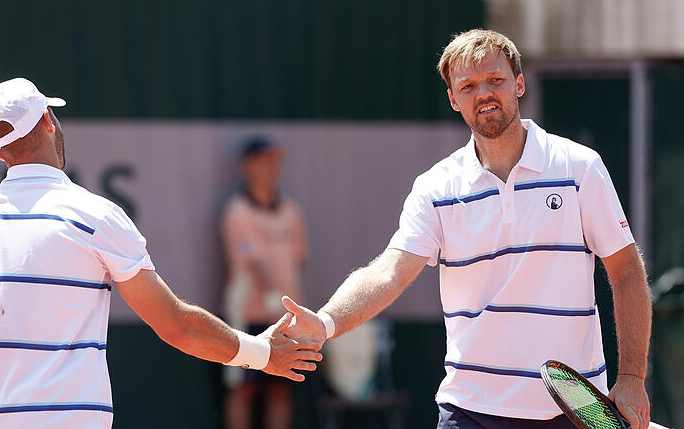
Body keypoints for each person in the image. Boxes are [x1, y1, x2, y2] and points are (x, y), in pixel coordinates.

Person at [280, 29, 653, 429]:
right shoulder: (435, 187)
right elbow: (388, 272)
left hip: (572, 412)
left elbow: (627, 272)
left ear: (519, 84)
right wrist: (325, 322)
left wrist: (632, 377)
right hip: (470, 411)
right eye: (469, 86)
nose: (485, 94)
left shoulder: (580, 168)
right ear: (454, 99)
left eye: (496, 80)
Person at [0, 78, 321, 428]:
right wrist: (262, 353)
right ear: (47, 122)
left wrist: (2, 368)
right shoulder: (96, 216)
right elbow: (175, 325)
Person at [221, 136, 308, 429]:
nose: (271, 167)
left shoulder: (291, 212)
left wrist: (284, 303)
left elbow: (299, 258)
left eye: (275, 161)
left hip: (286, 319)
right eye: (264, 161)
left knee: (280, 387)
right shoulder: (237, 212)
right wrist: (271, 294)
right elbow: (252, 262)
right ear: (247, 166)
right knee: (243, 389)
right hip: (247, 316)